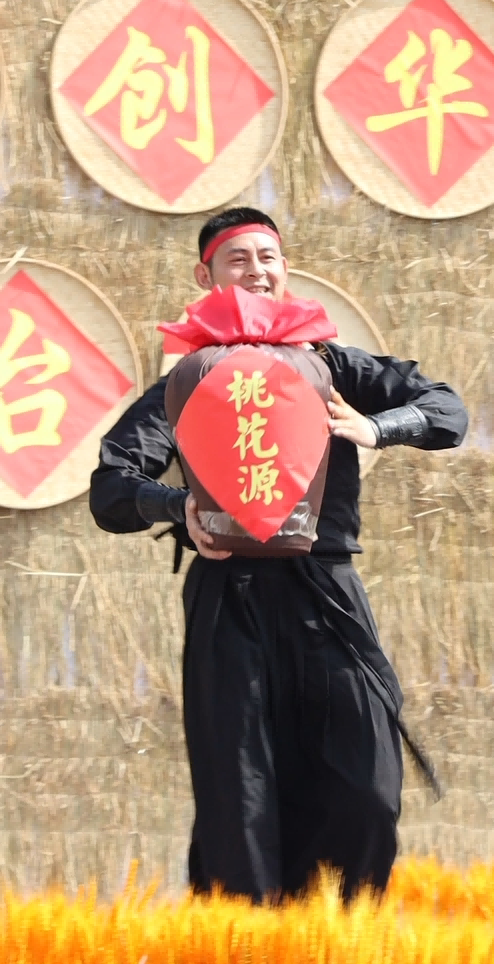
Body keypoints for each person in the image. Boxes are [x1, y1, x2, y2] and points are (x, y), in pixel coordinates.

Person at [89, 207, 468, 903]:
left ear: (285, 270)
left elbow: (448, 411)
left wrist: (376, 427)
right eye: (238, 259)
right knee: (240, 798)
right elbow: (111, 488)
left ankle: (343, 935)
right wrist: (178, 508)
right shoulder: (189, 379)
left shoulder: (334, 367)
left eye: (268, 257)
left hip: (326, 597)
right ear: (206, 276)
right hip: (229, 604)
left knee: (367, 789)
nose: (256, 271)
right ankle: (248, 942)